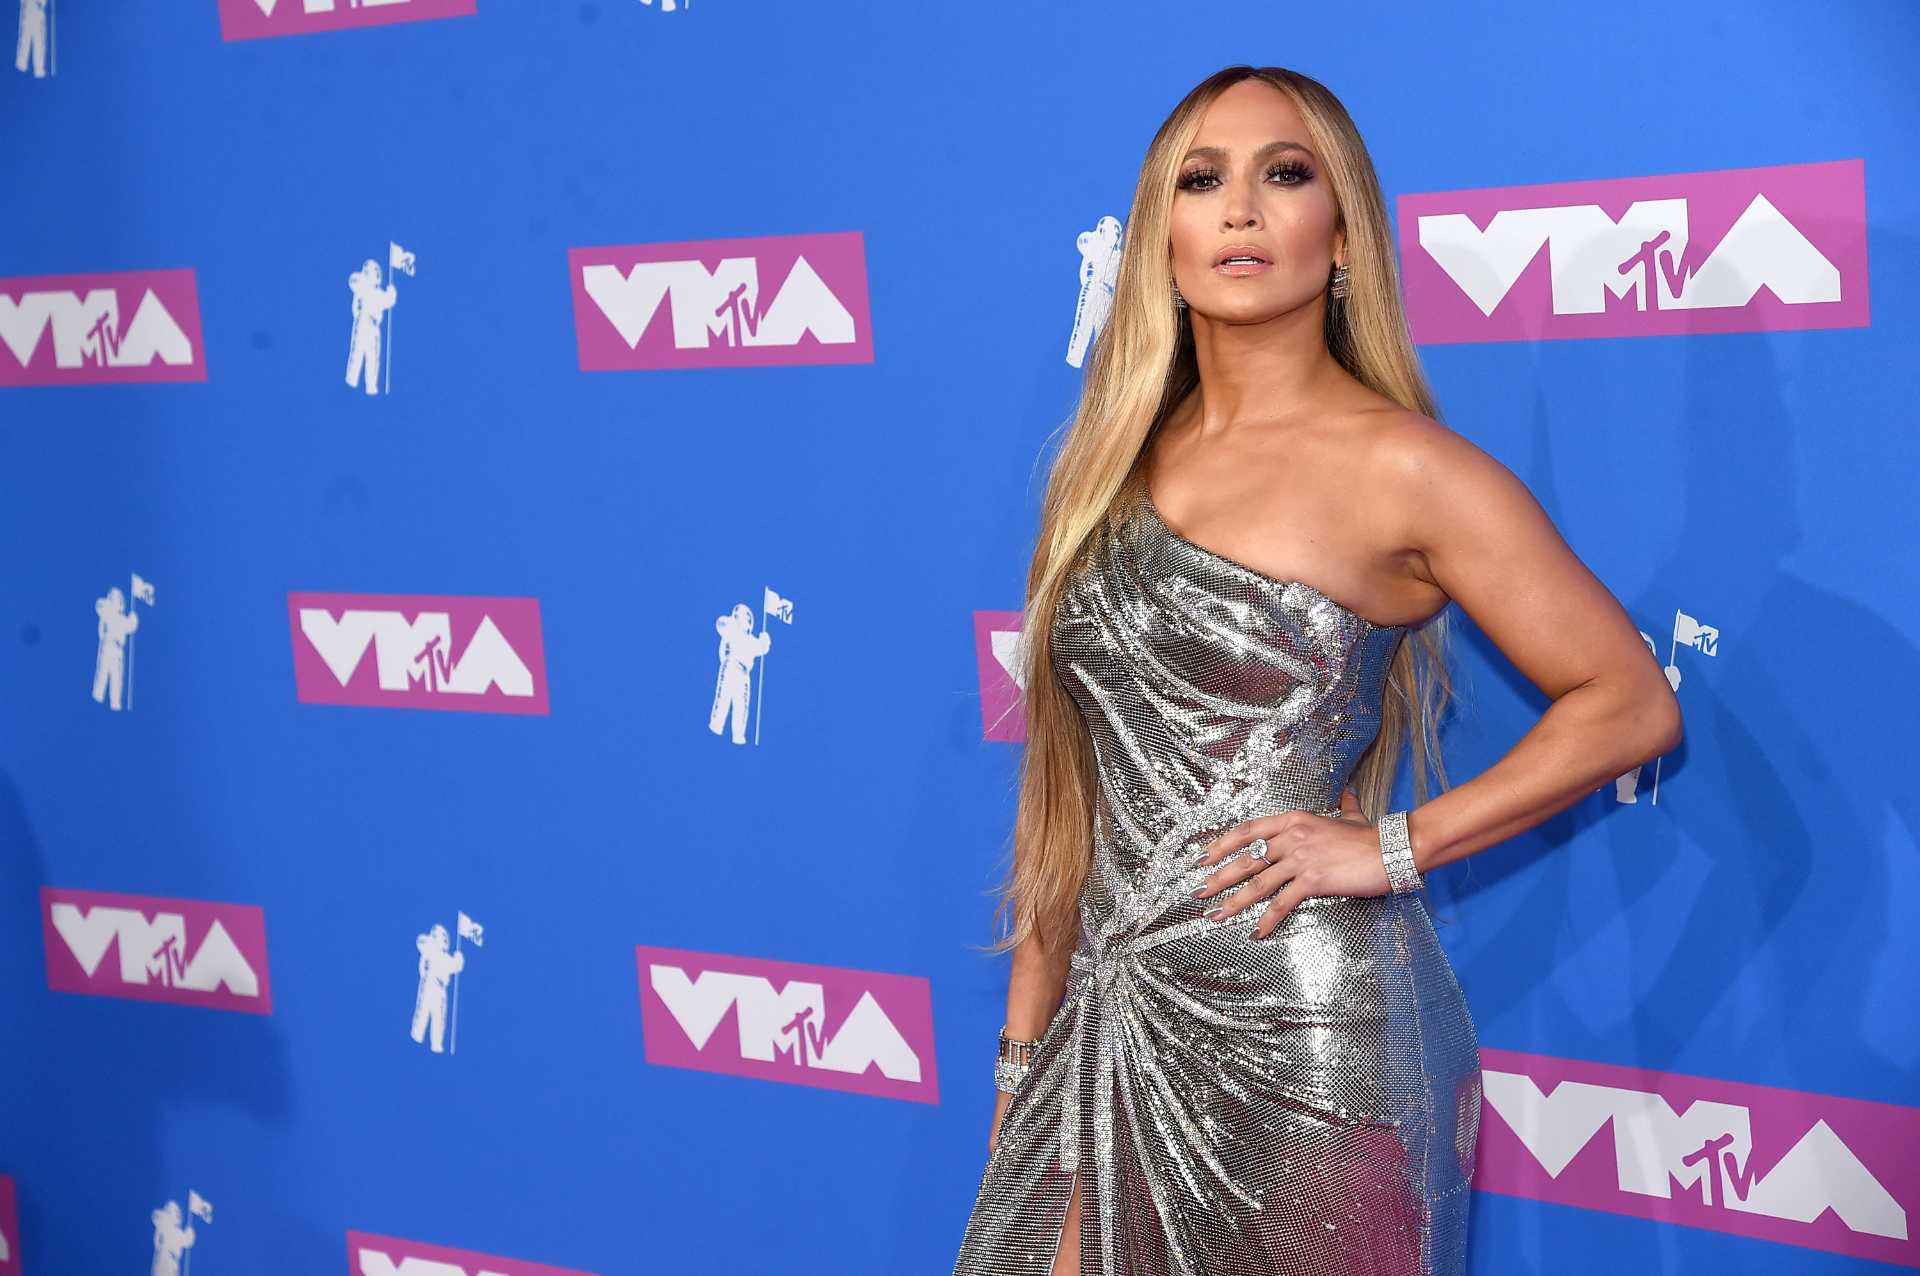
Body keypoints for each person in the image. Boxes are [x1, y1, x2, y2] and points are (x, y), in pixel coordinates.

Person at [951, 66, 1682, 1276]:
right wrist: (1022, 1059)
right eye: (1203, 179)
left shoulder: (1405, 467)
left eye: (1284, 175)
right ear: (1162, 240)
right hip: (1105, 1029)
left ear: (1342, 238)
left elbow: (1631, 700)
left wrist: (1391, 845)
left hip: (1309, 1033)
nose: (1240, 208)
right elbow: (1064, 796)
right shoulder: (1100, 474)